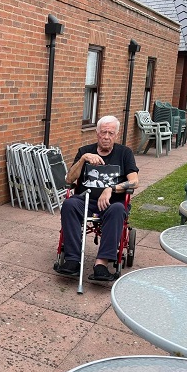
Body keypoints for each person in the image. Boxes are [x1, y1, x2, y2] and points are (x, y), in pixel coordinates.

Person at [56, 115, 139, 281]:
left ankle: (101, 264)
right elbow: (69, 179)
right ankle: (72, 260)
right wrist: (83, 159)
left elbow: (134, 182)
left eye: (111, 133)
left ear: (116, 134)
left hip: (112, 203)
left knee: (118, 209)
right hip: (85, 200)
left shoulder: (125, 153)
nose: (106, 137)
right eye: (103, 132)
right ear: (97, 133)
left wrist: (110, 188)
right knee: (69, 204)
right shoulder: (84, 151)